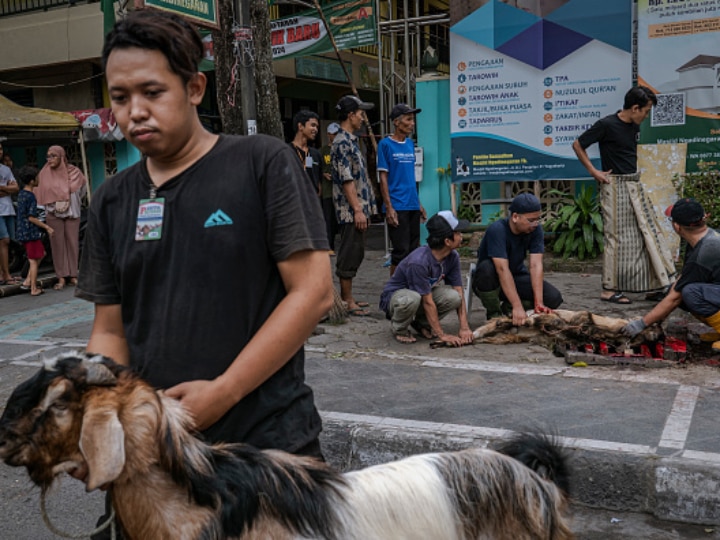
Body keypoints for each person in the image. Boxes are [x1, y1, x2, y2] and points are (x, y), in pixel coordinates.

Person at [78, 7, 332, 464]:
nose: (135, 112)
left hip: (269, 447)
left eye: (152, 92)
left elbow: (313, 292)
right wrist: (102, 413)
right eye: (120, 97)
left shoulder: (262, 163)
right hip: (158, 450)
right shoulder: (110, 200)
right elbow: (109, 329)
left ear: (195, 88)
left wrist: (224, 392)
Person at [572, 86, 660, 305]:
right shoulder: (607, 124)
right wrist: (594, 172)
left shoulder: (633, 126)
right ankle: (609, 289)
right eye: (646, 111)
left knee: (644, 234)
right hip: (614, 186)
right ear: (635, 107)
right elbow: (578, 144)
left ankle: (651, 286)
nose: (646, 116)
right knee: (615, 238)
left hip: (633, 183)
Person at [622, 199, 720, 350]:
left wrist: (641, 323)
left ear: (677, 226)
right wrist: (657, 316)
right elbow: (681, 283)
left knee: (691, 293)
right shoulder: (704, 239)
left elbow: (676, 298)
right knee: (675, 290)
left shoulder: (706, 250)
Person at [380, 210, 474, 345]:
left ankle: (421, 323)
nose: (461, 236)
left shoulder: (452, 256)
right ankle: (399, 329)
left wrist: (464, 328)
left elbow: (459, 290)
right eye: (458, 233)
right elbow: (428, 302)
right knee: (412, 298)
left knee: (454, 297)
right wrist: (442, 335)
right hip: (398, 299)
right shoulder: (419, 262)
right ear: (447, 241)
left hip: (421, 296)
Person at [472, 193, 563, 326]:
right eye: (531, 220)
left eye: (538, 219)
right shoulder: (497, 230)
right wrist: (517, 305)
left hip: (516, 276)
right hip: (491, 280)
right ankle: (494, 315)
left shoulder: (535, 230)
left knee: (553, 298)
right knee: (486, 268)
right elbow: (502, 269)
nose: (535, 224)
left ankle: (508, 309)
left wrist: (539, 303)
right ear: (515, 217)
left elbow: (536, 265)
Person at [331, 94, 378, 316]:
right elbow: (346, 179)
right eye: (360, 114)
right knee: (349, 251)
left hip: (359, 209)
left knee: (357, 251)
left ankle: (350, 297)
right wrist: (358, 209)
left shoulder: (351, 140)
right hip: (350, 211)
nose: (362, 118)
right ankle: (346, 299)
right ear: (350, 115)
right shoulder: (341, 142)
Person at [377, 103, 427, 275]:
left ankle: (411, 287)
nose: (412, 123)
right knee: (400, 252)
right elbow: (383, 177)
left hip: (412, 203)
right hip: (397, 205)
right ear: (397, 122)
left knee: (414, 250)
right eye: (408, 119)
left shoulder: (410, 144)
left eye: (412, 119)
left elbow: (410, 177)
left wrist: (418, 203)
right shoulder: (385, 145)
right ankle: (394, 291)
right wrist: (389, 207)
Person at [35, 145, 86, 290]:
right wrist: (55, 203)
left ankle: (73, 275)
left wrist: (69, 201)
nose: (50, 159)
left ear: (61, 156)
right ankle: (61, 277)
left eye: (53, 156)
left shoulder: (75, 172)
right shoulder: (44, 174)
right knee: (57, 245)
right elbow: (40, 193)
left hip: (72, 212)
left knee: (72, 243)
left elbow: (82, 191)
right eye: (48, 156)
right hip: (53, 213)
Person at [15, 166, 53, 296]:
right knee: (33, 259)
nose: (39, 180)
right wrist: (46, 227)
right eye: (37, 178)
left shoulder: (21, 194)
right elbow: (31, 217)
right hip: (30, 232)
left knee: (41, 253)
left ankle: (28, 281)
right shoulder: (31, 196)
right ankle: (33, 288)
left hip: (22, 231)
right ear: (32, 181)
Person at [289, 109, 322, 193]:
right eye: (313, 125)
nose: (316, 129)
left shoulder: (316, 154)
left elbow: (318, 182)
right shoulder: (287, 151)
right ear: (300, 126)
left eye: (317, 127)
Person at [0, 142, 19, 285]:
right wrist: (8, 188)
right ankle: (6, 275)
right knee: (4, 240)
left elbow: (16, 187)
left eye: (0, 148)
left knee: (8, 241)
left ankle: (4, 273)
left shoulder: (6, 169)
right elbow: (11, 187)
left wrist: (4, 189)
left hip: (7, 208)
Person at [320, 122, 340, 252]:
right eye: (333, 134)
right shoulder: (323, 151)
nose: (335, 137)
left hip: (340, 190)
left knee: (339, 219)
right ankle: (329, 245)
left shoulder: (341, 149)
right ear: (328, 135)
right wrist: (323, 174)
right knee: (328, 218)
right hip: (327, 190)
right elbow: (316, 167)